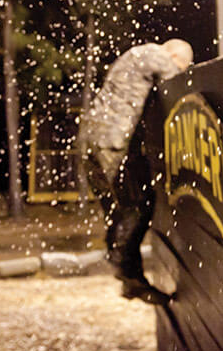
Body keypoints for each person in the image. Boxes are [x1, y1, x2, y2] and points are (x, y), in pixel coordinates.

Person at [79, 39, 193, 305]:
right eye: (183, 64)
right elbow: (179, 87)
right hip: (114, 141)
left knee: (116, 209)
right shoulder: (158, 56)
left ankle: (124, 269)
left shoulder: (132, 56)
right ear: (174, 54)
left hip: (90, 139)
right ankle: (126, 269)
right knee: (140, 205)